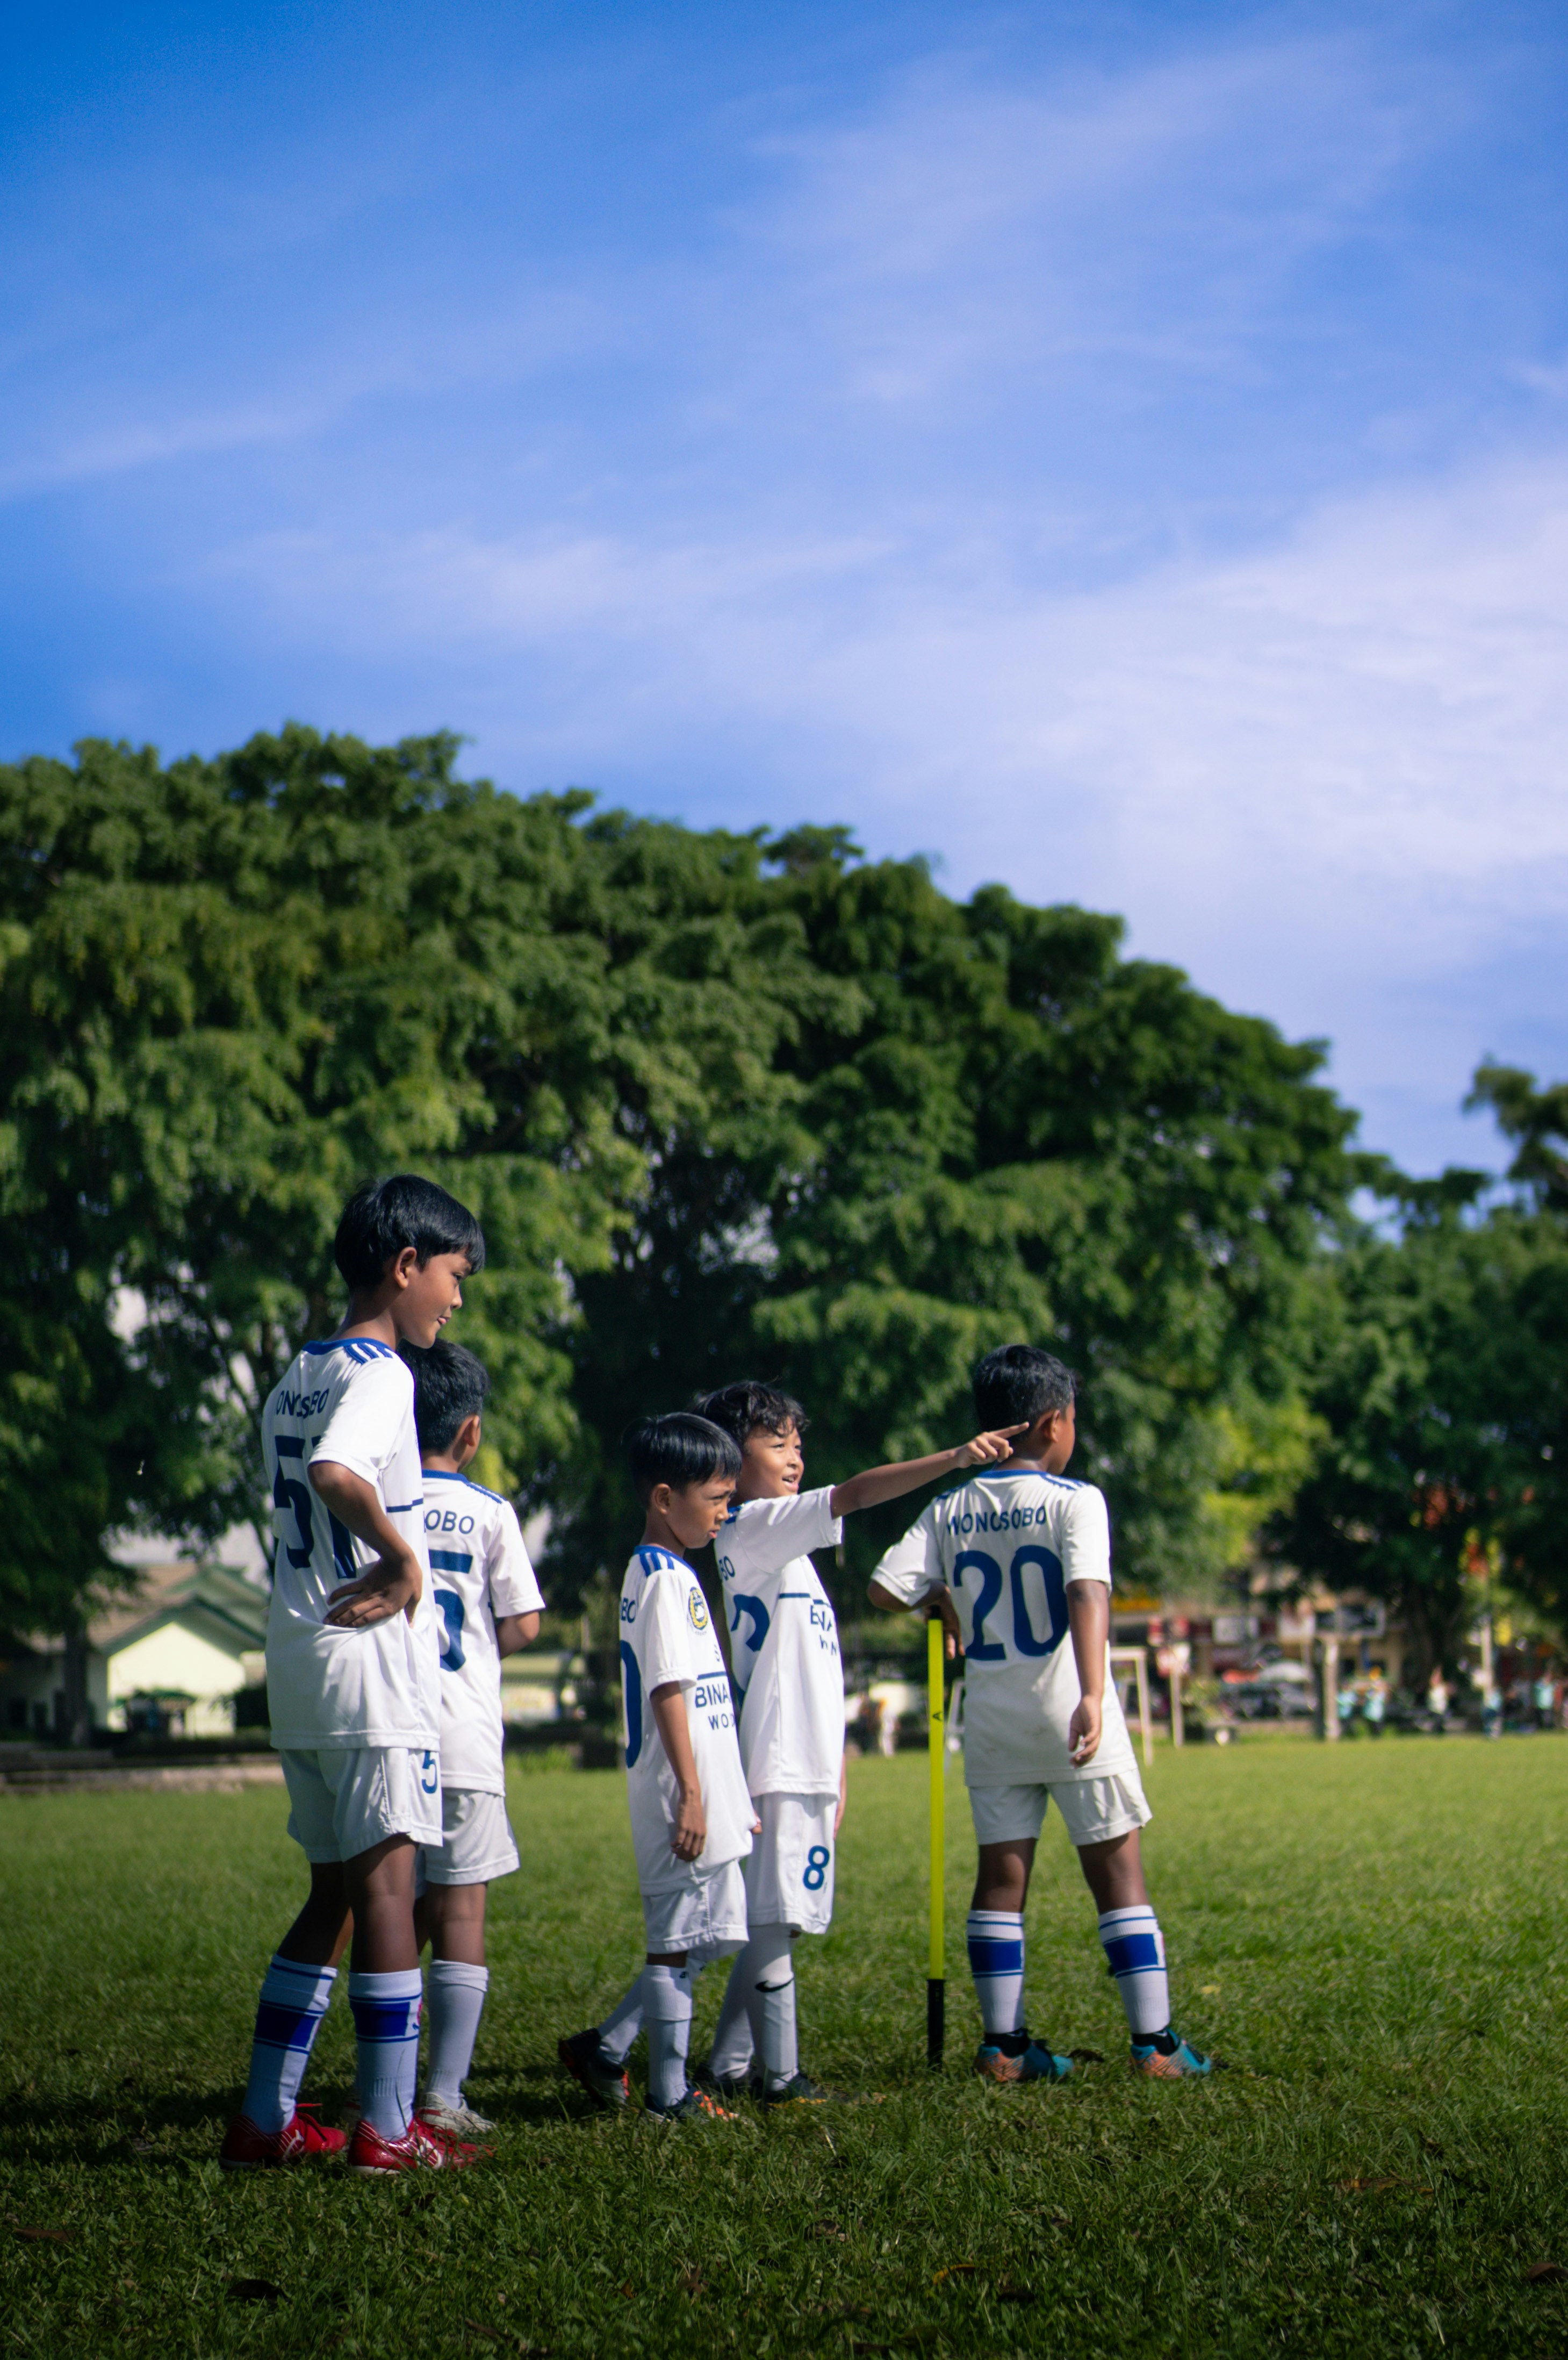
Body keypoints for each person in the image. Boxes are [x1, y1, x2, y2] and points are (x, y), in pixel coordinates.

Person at [220, 1174, 487, 2176]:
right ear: (405, 1265)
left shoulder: (297, 1370)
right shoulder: (383, 1374)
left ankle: (264, 2115)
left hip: (298, 1657)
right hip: (368, 1667)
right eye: (452, 1277)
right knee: (388, 1889)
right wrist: (403, 1557)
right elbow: (339, 1475)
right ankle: (385, 2129)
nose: (455, 1302)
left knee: (332, 1891)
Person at [869, 1344, 1211, 2083]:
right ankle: (1154, 2045)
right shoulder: (1075, 1499)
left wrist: (941, 1595)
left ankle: (1002, 2046)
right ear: (1053, 1422)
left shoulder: (949, 1505)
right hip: (1069, 1711)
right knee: (1118, 1874)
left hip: (992, 1716)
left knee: (1000, 1876)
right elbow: (1088, 1592)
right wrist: (1091, 1693)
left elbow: (884, 1590)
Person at [690, 1380, 1023, 2106]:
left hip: (801, 1755)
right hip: (777, 1756)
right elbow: (857, 1494)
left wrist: (837, 1753)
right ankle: (775, 2076)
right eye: (776, 1443)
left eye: (797, 1445)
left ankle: (728, 2062)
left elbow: (807, 1660)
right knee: (774, 1918)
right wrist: (954, 1457)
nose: (794, 1458)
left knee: (778, 1919)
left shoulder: (780, 1539)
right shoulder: (754, 1524)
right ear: (727, 1456)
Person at [557, 1414, 755, 2122]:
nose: (723, 1511)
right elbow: (668, 1690)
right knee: (675, 1947)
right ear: (664, 1498)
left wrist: (729, 1796)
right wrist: (695, 1797)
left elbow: (705, 1700)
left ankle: (606, 2048)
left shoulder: (673, 1571)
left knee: (720, 1932)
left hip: (704, 1792)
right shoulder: (660, 1576)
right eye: (714, 1498)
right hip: (677, 1796)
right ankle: (669, 2096)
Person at [402, 1338, 544, 2137]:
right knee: (460, 1911)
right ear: (472, 1432)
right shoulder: (490, 1512)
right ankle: (443, 2096)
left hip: (388, 1729)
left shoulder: (375, 1500)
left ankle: (380, 2085)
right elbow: (522, 1621)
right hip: (462, 1737)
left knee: (390, 1906)